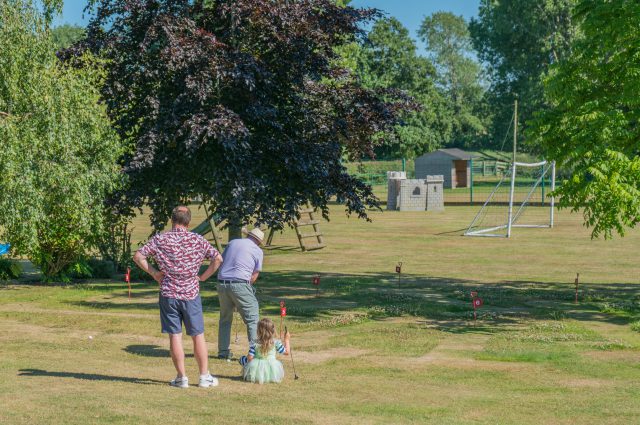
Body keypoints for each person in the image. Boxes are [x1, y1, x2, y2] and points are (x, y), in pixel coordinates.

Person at [133, 205, 223, 388]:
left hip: (168, 294)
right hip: (191, 293)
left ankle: (181, 377)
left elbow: (138, 256)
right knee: (198, 335)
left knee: (175, 336)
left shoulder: (160, 239)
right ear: (188, 222)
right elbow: (218, 259)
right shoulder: (197, 240)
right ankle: (204, 376)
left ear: (172, 220)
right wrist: (203, 277)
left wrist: (155, 273)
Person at [216, 228, 264, 359]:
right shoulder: (258, 251)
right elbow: (254, 276)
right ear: (259, 242)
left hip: (222, 283)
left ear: (248, 235)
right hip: (240, 283)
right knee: (252, 318)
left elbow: (220, 260)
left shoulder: (232, 243)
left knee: (225, 319)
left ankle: (223, 352)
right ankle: (255, 352)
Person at [239, 318, 290, 384]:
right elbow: (286, 352)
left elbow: (250, 358)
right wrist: (287, 340)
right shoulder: (275, 342)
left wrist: (247, 362)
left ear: (258, 331)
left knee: (242, 359)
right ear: (272, 330)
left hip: (256, 370)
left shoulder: (255, 343)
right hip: (272, 370)